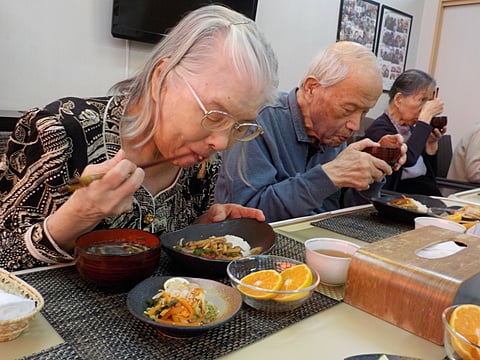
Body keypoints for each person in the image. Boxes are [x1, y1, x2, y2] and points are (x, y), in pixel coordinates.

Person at [0, 5, 279, 271]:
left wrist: (201, 231)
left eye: (240, 127)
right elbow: (5, 255)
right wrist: (80, 213)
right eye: (216, 115)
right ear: (161, 79)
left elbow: (164, 264)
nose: (221, 143)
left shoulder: (203, 166)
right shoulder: (58, 133)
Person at [215, 41, 407, 223]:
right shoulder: (258, 121)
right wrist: (327, 177)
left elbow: (343, 214)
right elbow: (245, 215)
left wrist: (373, 170)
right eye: (348, 109)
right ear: (311, 88)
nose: (355, 125)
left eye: (364, 112)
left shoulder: (332, 134)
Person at [365, 69, 445, 196]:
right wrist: (424, 119)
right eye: (422, 100)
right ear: (398, 99)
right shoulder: (379, 129)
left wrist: (431, 144)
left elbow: (430, 176)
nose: (425, 108)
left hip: (424, 193)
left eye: (428, 102)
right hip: (397, 197)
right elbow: (408, 160)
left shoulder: (412, 129)